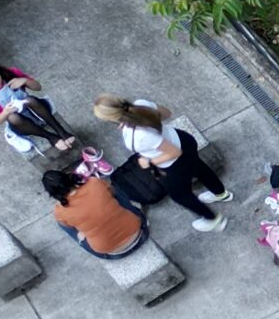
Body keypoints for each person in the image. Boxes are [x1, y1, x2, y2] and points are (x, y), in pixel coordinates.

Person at [94, 95, 233, 230]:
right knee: (199, 168)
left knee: (180, 195)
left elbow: (174, 153)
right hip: (183, 139)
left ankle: (213, 220)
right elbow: (167, 113)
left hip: (174, 162)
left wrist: (149, 162)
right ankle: (221, 194)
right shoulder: (141, 104)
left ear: (111, 119)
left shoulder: (137, 136)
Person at [0, 61, 81, 160]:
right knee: (13, 117)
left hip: (37, 109)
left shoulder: (10, 73)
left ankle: (60, 130)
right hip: (19, 123)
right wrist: (6, 112)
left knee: (30, 100)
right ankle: (50, 137)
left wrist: (24, 81)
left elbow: (38, 87)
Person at [43, 165, 148, 259]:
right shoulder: (94, 182)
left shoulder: (60, 211)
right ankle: (134, 210)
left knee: (61, 224)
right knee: (112, 192)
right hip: (140, 232)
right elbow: (112, 192)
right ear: (67, 177)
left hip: (113, 253)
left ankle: (83, 237)